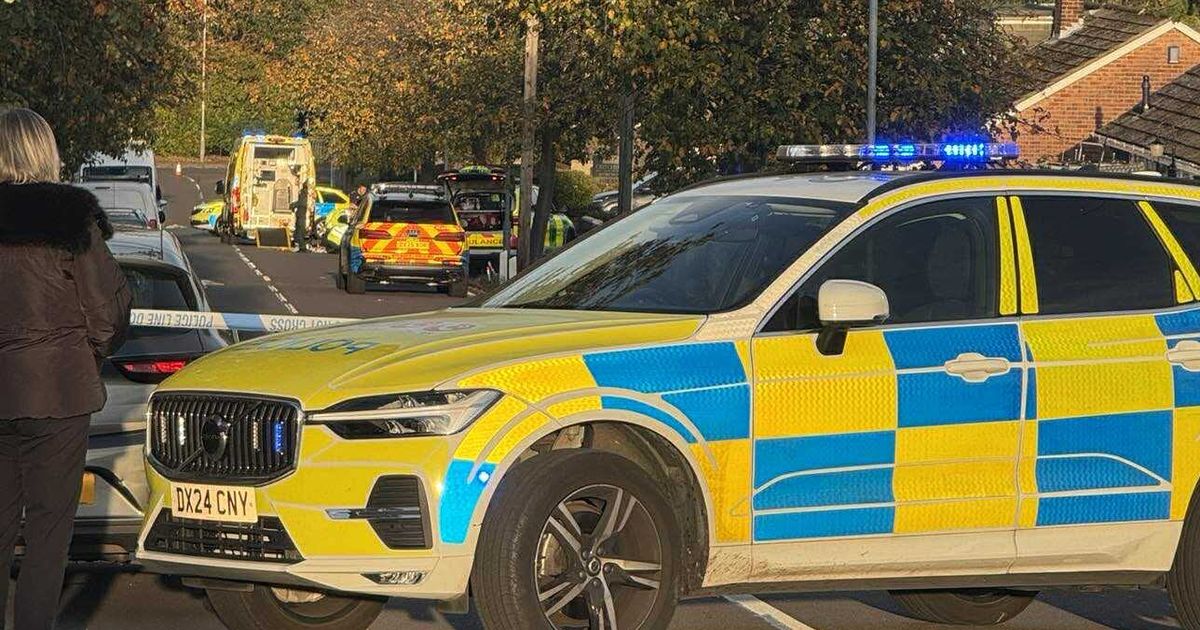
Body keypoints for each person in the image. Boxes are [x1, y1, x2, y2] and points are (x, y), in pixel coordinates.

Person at [0, 108, 131, 630]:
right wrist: (84, 358)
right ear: (46, 153)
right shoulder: (71, 221)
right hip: (56, 398)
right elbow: (108, 312)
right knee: (49, 539)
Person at [289, 173, 311, 253]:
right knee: (298, 231)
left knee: (300, 231)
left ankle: (301, 246)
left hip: (302, 215)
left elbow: (302, 203)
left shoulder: (304, 193)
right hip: (301, 214)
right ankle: (300, 246)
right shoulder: (305, 193)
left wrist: (293, 205)